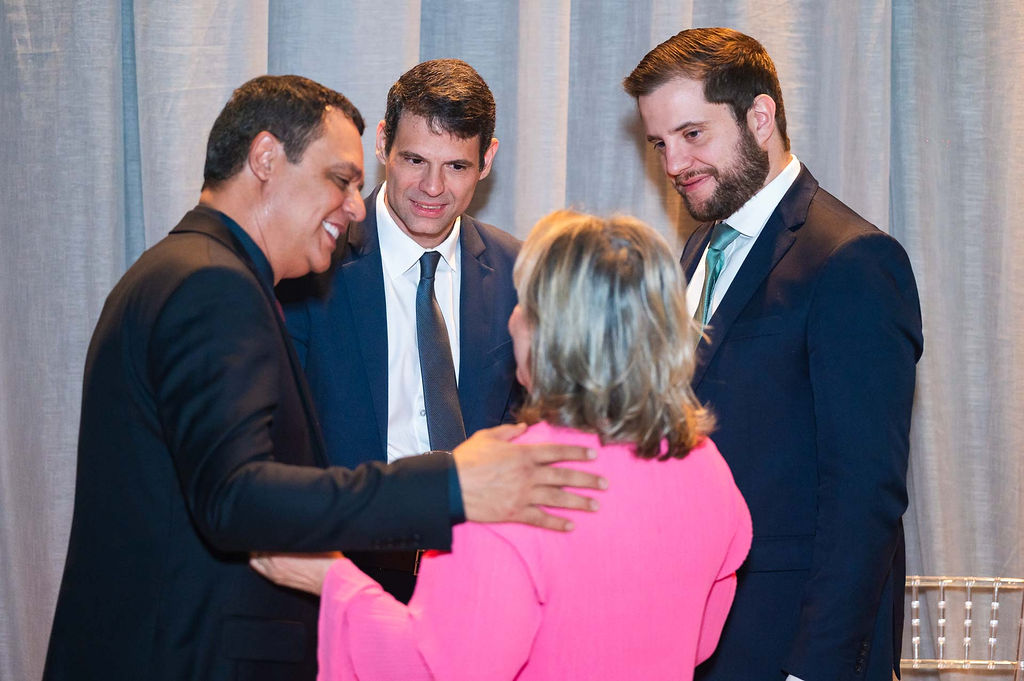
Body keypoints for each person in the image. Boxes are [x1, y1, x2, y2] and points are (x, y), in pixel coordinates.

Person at [43, 75, 603, 681]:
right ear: (265, 159)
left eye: (456, 166)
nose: (356, 206)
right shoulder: (213, 283)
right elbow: (236, 496)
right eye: (340, 180)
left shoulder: (191, 270)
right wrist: (453, 486)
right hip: (193, 646)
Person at [252, 210, 753, 681]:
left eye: (526, 304)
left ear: (553, 334)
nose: (513, 319)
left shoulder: (507, 484)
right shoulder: (706, 466)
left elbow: (430, 669)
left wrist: (334, 581)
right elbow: (700, 641)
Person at [623, 27, 924, 681]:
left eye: (692, 134)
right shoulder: (700, 248)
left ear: (760, 117)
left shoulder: (853, 260)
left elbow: (863, 497)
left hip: (790, 648)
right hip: (697, 639)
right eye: (660, 143)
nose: (673, 164)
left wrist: (816, 668)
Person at [279, 59, 522, 603]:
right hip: (340, 574)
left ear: (487, 160)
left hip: (481, 581)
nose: (432, 188)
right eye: (415, 160)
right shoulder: (310, 264)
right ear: (383, 143)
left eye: (456, 166)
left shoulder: (520, 272)